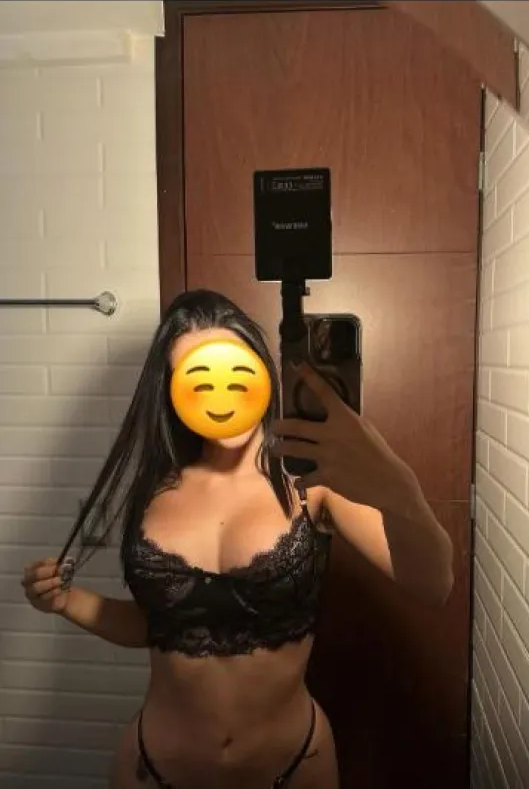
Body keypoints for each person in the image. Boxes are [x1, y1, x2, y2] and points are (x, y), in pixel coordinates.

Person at [22, 289, 454, 789]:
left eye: (234, 374)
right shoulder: (154, 491)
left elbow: (434, 582)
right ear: (172, 391)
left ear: (263, 372)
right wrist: (67, 601)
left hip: (295, 767)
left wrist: (399, 488)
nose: (221, 396)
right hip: (154, 769)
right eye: (199, 380)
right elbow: (159, 626)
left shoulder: (311, 480)